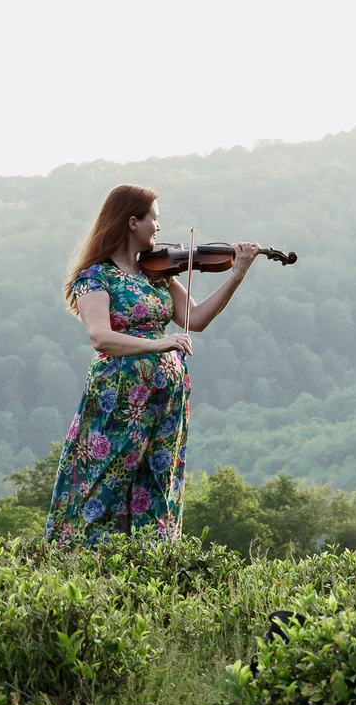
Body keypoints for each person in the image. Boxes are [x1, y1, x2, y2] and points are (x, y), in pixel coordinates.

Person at [44, 183, 264, 545]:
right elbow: (101, 337)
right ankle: (81, 559)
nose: (159, 227)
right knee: (107, 476)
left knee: (157, 481)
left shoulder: (157, 272)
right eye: (153, 219)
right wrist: (161, 343)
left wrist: (236, 275)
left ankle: (150, 563)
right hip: (119, 399)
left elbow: (195, 318)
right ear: (132, 222)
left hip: (164, 400)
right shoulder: (95, 277)